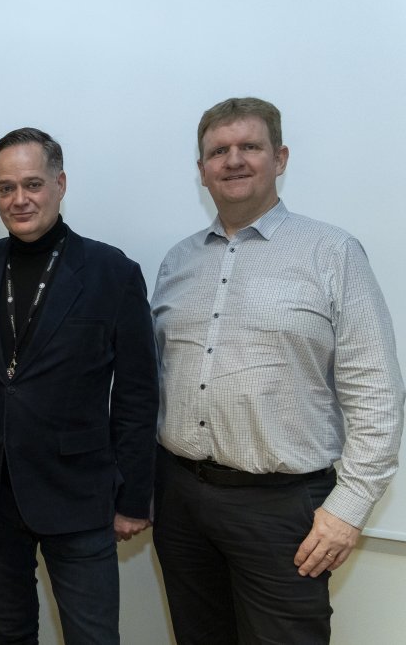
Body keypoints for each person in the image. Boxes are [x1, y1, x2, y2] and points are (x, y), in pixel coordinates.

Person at [152, 96, 405, 644]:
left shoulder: (332, 253)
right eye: (218, 151)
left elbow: (377, 391)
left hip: (282, 510)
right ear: (202, 170)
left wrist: (348, 509)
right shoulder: (177, 262)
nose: (233, 160)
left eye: (250, 146)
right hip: (180, 500)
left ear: (280, 157)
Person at [0, 127, 158, 644]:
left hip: (79, 495)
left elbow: (136, 392)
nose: (19, 199)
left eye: (33, 184)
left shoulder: (112, 272)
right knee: (9, 632)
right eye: (6, 187)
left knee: (92, 636)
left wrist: (134, 497)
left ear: (60, 185)